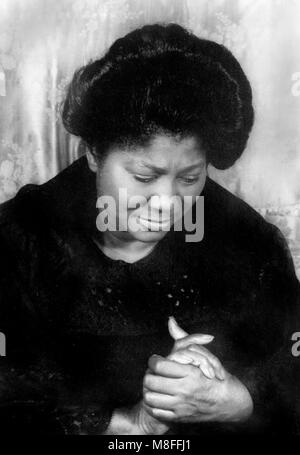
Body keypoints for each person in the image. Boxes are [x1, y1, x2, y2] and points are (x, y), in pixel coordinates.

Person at [0, 23, 299, 435]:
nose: (167, 203)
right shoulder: (20, 238)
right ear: (93, 154)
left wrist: (238, 400)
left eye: (190, 178)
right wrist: (125, 424)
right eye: (144, 176)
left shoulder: (248, 243)